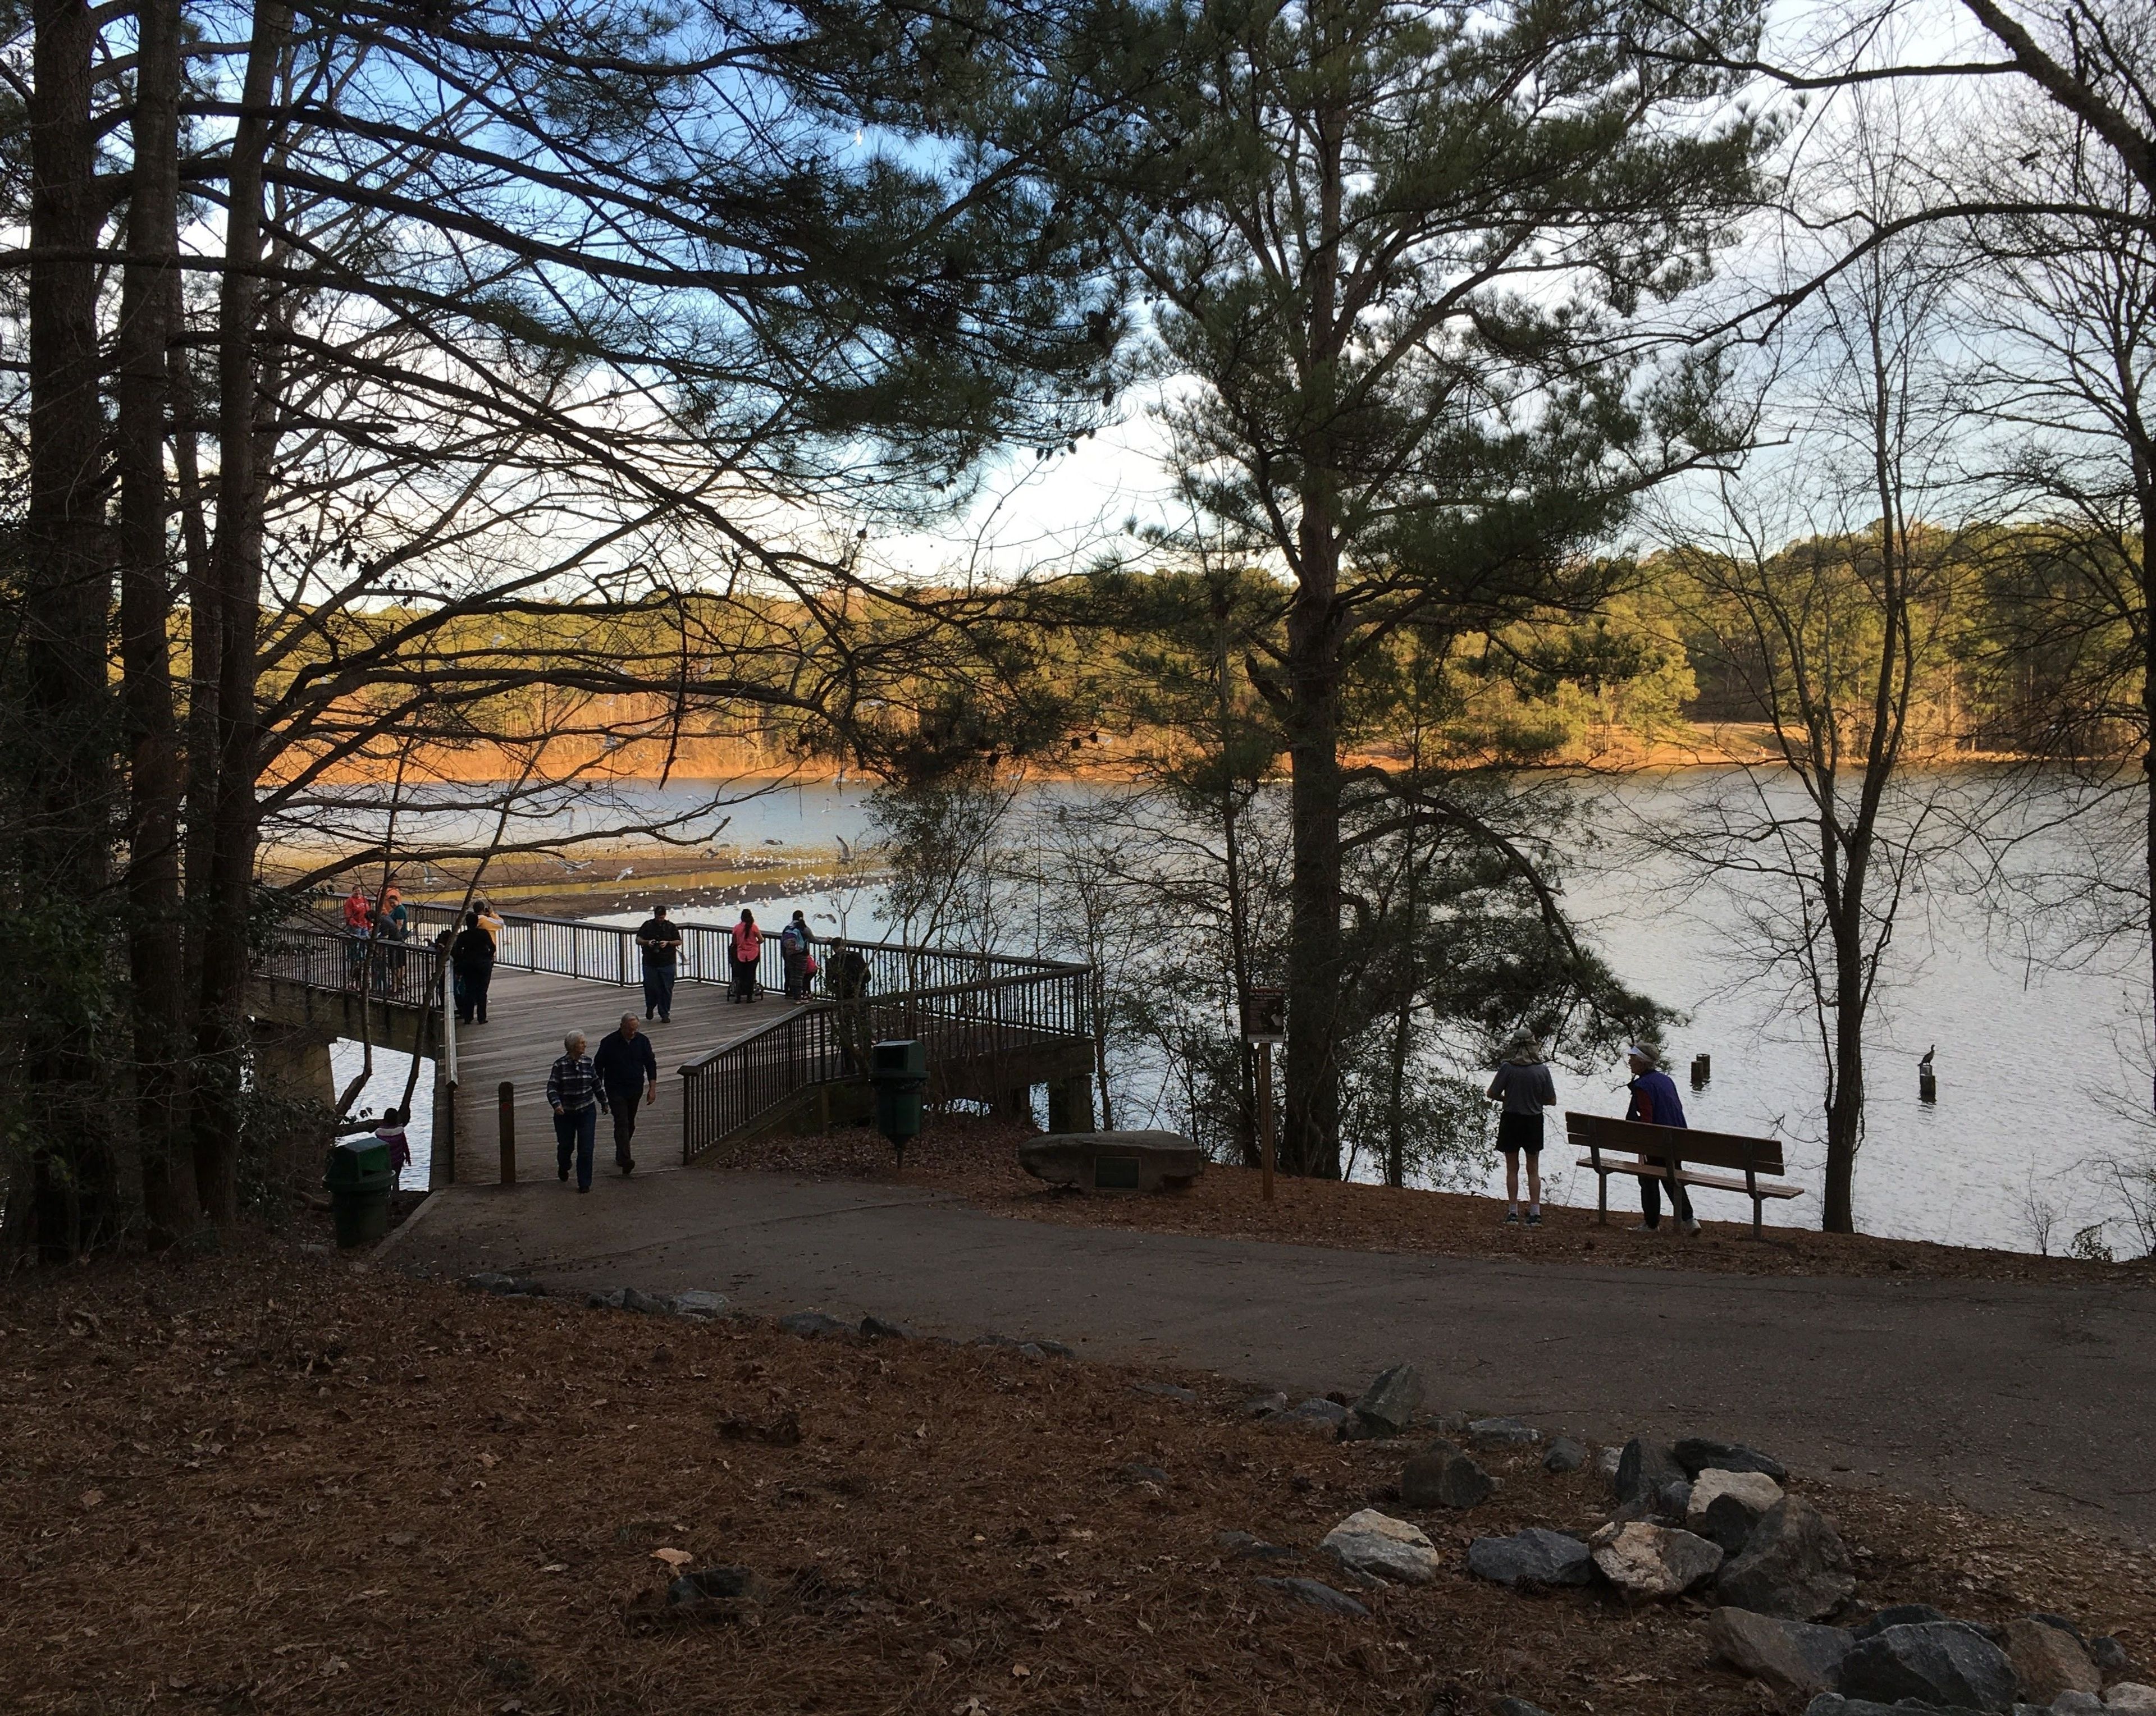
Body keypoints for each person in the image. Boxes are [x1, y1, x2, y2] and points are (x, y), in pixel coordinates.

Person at [1625, 1044, 1700, 1235]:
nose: (1629, 1062)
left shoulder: (1643, 1086)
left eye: (1633, 1059)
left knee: (1647, 1178)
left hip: (1657, 1142)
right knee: (1672, 1177)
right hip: (1677, 1141)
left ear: (1642, 1062)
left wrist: (1642, 1149)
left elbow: (1647, 1120)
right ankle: (1689, 1220)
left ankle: (1651, 1224)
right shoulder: (1666, 1081)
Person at [1487, 1037, 1557, 1227]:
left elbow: (1491, 1093)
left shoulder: (1507, 1068)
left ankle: (1512, 1212)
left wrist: (1509, 1099)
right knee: (1533, 1169)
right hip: (1533, 1122)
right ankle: (1535, 1213)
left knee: (1512, 1168)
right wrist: (1534, 1099)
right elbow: (1551, 1100)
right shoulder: (1542, 1070)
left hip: (1511, 1119)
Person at [593, 1012, 659, 1175]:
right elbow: (598, 1067)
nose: (632, 1033)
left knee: (630, 1123)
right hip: (615, 1088)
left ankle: (621, 1152)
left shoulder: (642, 1041)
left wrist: (652, 1088)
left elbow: (650, 1064)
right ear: (622, 1026)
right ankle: (625, 1159)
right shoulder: (609, 1042)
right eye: (630, 1030)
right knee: (621, 1121)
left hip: (635, 1087)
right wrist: (599, 1092)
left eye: (635, 1030)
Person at [546, 1031, 608, 1193]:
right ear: (574, 1046)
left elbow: (596, 1084)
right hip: (565, 1113)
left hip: (586, 1110)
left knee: (586, 1148)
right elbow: (552, 1087)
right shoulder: (559, 1065)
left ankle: (584, 1182)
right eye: (582, 1043)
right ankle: (564, 1165)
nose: (585, 1045)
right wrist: (556, 1104)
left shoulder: (588, 1062)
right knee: (566, 1146)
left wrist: (604, 1102)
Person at [636, 903, 683, 1022]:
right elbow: (638, 939)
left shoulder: (671, 927)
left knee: (667, 989)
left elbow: (679, 941)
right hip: (650, 962)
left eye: (662, 918)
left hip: (667, 962)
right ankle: (650, 1007)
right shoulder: (647, 925)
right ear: (655, 915)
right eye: (658, 918)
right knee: (650, 987)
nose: (660, 920)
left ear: (665, 916)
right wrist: (648, 943)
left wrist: (668, 943)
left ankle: (665, 1013)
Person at [449, 907, 496, 1024]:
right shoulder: (484, 933)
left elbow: (457, 951)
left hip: (469, 964)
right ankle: (482, 1017)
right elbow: (492, 947)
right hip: (483, 964)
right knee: (482, 991)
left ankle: (468, 1017)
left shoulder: (463, 935)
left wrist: (460, 962)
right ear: (477, 922)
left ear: (466, 923)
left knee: (469, 990)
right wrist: (489, 957)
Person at [728, 908, 763, 1004]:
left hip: (741, 955)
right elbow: (761, 940)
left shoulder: (737, 928)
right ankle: (749, 997)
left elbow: (734, 942)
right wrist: (755, 943)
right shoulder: (754, 927)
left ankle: (738, 997)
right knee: (751, 976)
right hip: (753, 954)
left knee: (741, 976)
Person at [341, 882, 372, 987]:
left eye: (359, 891)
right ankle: (355, 961)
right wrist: (355, 924)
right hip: (356, 927)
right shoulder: (350, 901)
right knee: (357, 946)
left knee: (366, 945)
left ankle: (364, 962)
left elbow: (368, 913)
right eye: (356, 891)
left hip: (365, 926)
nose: (358, 893)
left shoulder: (364, 900)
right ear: (352, 892)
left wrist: (369, 925)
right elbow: (348, 915)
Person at [376, 1105, 413, 1189]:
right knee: (396, 1178)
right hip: (398, 1160)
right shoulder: (400, 1130)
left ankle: (388, 1197)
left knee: (387, 1179)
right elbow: (404, 1145)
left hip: (386, 1161)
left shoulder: (379, 1132)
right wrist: (408, 1156)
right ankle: (396, 1196)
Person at [780, 909, 811, 999]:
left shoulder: (787, 928)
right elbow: (814, 939)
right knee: (799, 976)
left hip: (789, 954)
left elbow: (783, 942)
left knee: (792, 975)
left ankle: (790, 993)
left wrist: (784, 955)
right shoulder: (804, 928)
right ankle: (798, 997)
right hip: (801, 954)